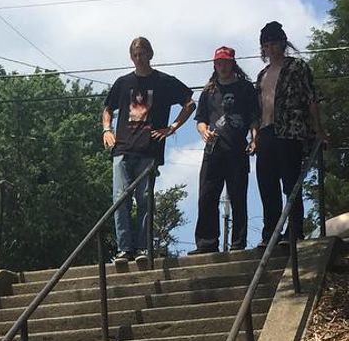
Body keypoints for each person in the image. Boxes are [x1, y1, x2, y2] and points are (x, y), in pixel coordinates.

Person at [102, 37, 195, 261]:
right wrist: (107, 129)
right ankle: (125, 249)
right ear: (130, 56)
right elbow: (107, 107)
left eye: (142, 53)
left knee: (145, 200)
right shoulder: (123, 83)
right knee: (120, 199)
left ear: (150, 54)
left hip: (149, 149)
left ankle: (144, 248)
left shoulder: (164, 81)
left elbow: (190, 103)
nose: (138, 57)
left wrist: (172, 127)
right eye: (135, 54)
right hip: (122, 148)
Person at [255, 20, 327, 245]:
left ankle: (294, 230)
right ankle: (271, 232)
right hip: (266, 132)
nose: (270, 48)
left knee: (290, 183)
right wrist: (254, 137)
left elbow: (311, 99)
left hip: (291, 131)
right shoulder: (262, 75)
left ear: (283, 43)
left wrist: (319, 131)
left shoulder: (297, 67)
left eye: (274, 43)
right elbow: (258, 109)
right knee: (267, 184)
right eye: (266, 45)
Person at [192, 45, 259, 253]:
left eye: (226, 62)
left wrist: (255, 139)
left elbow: (254, 118)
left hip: (238, 149)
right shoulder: (209, 91)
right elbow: (200, 120)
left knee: (238, 197)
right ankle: (206, 243)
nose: (222, 66)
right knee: (207, 196)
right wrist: (204, 132)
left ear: (233, 63)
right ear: (214, 64)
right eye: (219, 62)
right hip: (213, 150)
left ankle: (238, 243)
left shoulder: (246, 88)